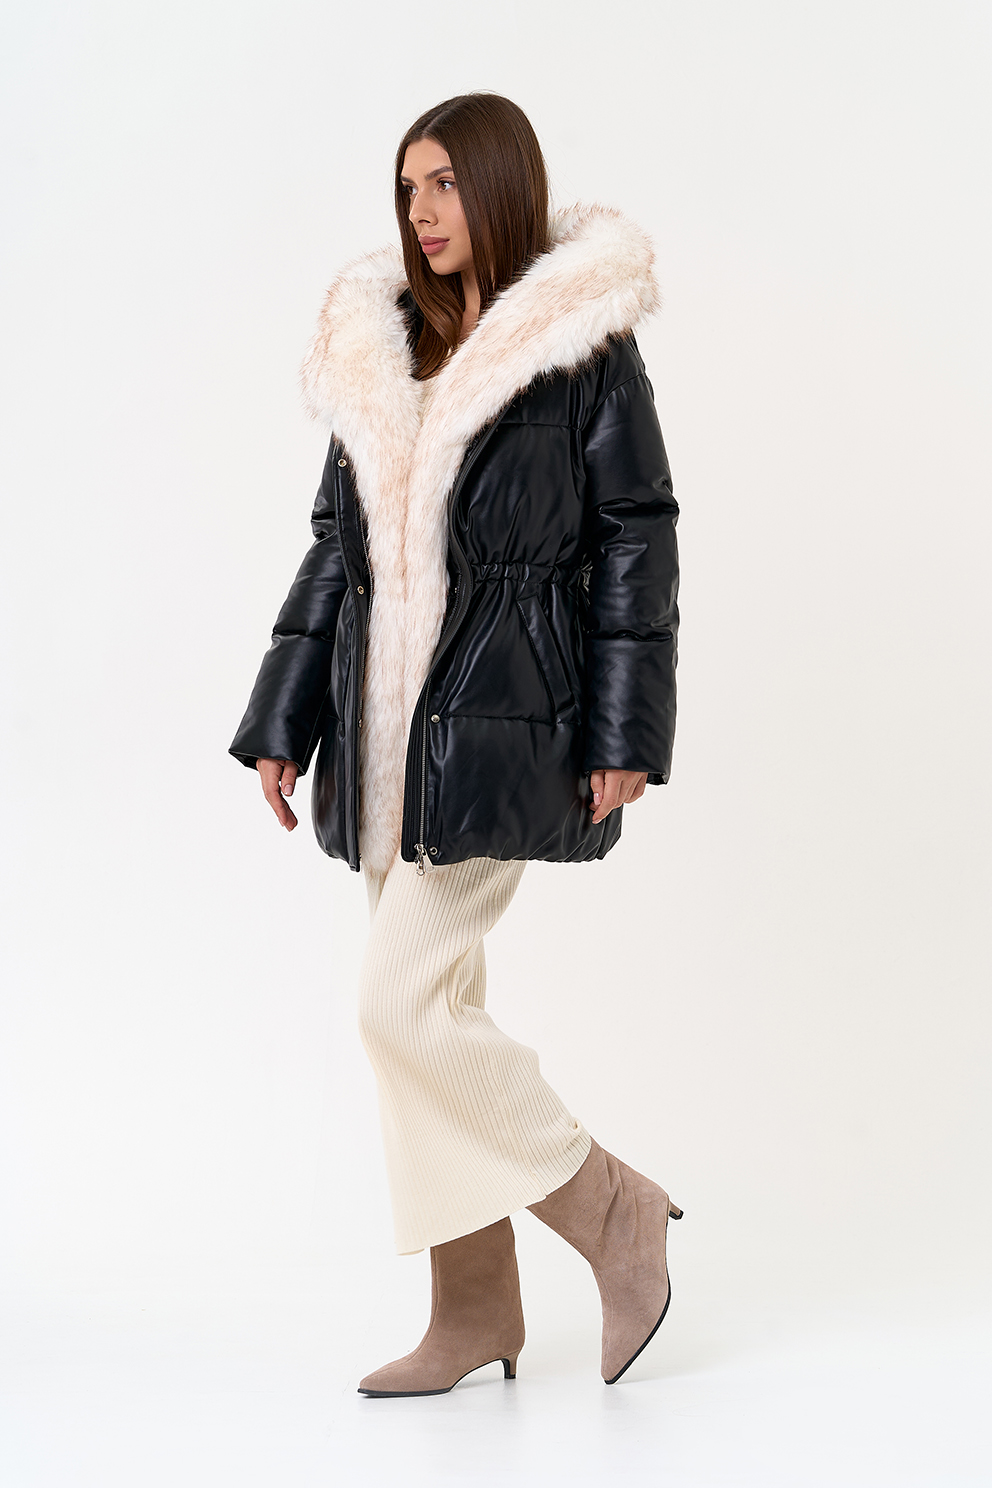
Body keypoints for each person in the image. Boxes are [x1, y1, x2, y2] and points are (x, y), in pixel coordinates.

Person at [230, 92, 682, 1397]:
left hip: (507, 733)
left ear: (498, 183)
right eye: (408, 187)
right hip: (382, 746)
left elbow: (637, 542)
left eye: (442, 183)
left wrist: (624, 731)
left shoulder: (581, 350)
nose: (421, 211)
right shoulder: (388, 357)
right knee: (435, 1021)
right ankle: (475, 1307)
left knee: (399, 1006)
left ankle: (613, 1210)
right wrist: (283, 718)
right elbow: (337, 555)